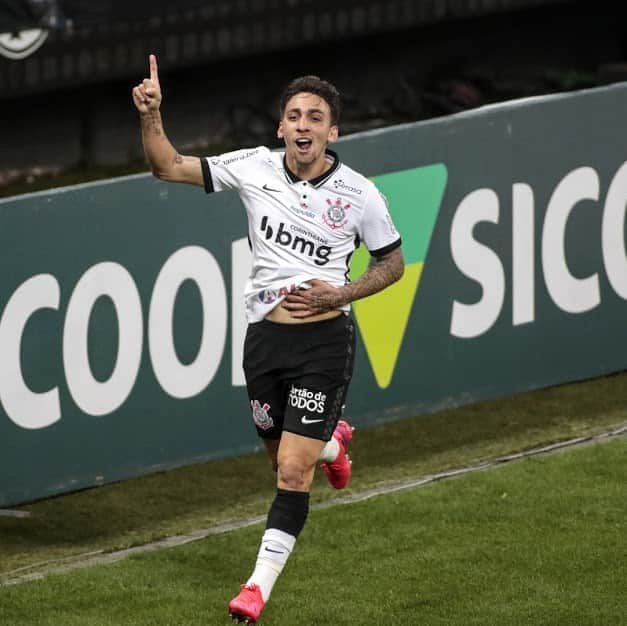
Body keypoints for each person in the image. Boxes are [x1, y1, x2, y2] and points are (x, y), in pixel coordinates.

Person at [132, 54, 404, 624]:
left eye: (315, 117)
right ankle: (333, 443)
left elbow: (393, 264)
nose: (303, 125)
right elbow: (167, 167)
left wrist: (342, 294)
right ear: (280, 127)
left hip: (323, 342)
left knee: (289, 472)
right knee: (282, 454)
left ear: (333, 131)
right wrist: (152, 116)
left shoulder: (359, 194)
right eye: (294, 115)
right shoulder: (253, 166)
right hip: (264, 342)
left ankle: (256, 588)